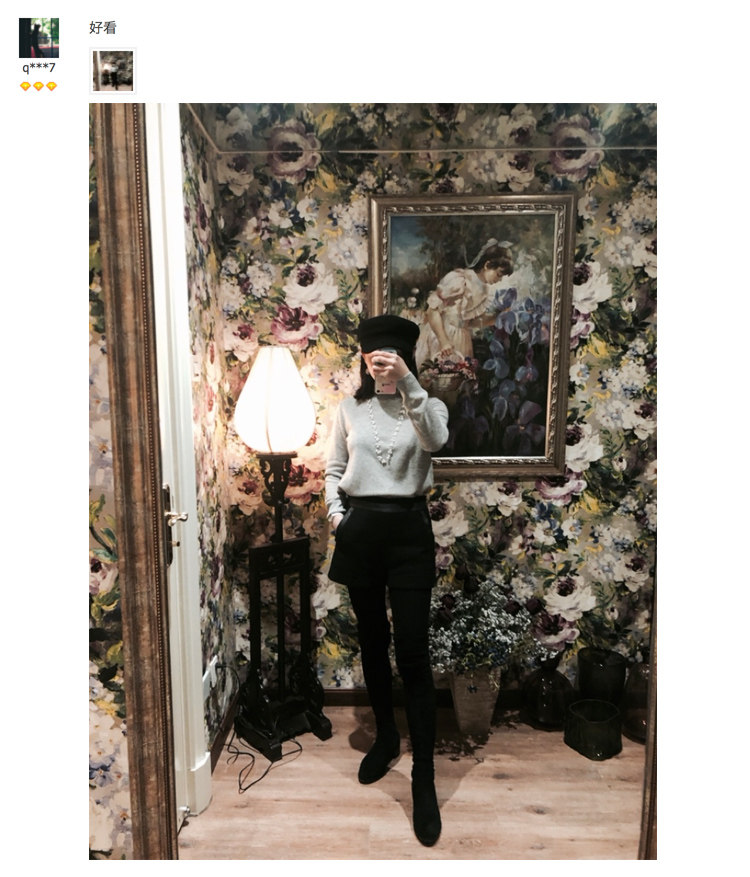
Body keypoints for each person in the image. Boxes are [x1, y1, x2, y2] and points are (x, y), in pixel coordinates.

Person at [325, 314, 449, 846]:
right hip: (361, 531)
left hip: (409, 533)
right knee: (372, 643)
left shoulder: (428, 404)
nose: (381, 364)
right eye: (374, 356)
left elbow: (436, 441)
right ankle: (386, 738)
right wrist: (337, 517)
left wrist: (408, 383)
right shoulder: (348, 408)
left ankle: (424, 777)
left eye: (391, 356)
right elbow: (334, 470)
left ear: (405, 358)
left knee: (413, 654)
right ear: (363, 358)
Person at [416, 239, 514, 365]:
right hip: (442, 335)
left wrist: (498, 317)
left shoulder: (484, 291)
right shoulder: (459, 280)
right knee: (436, 370)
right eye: (499, 275)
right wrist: (443, 341)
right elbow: (432, 311)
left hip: (462, 340)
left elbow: (471, 322)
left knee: (459, 373)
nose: (499, 280)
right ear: (487, 265)